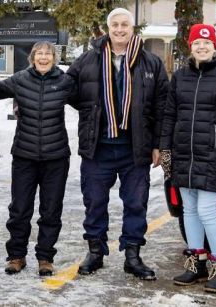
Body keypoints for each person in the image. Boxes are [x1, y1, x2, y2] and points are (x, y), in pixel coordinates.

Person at [67, 8, 168, 280]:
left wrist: (159, 144)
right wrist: (93, 112)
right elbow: (68, 89)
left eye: (125, 24)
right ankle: (95, 252)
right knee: (95, 201)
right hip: (98, 146)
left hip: (135, 147)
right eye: (115, 25)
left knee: (136, 203)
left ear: (132, 28)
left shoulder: (151, 63)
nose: (120, 29)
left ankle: (133, 256)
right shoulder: (88, 59)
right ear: (108, 27)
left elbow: (162, 106)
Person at [160, 24, 216, 293]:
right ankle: (196, 264)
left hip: (212, 154)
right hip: (183, 152)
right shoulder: (180, 77)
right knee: (189, 210)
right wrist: (166, 149)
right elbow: (169, 115)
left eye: (207, 43)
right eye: (197, 43)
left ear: (214, 47)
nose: (202, 47)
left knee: (207, 210)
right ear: (190, 46)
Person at [0, 41, 74, 276]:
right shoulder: (20, 79)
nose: (44, 57)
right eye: (40, 53)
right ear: (32, 57)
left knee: (51, 210)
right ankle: (16, 256)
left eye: (48, 54)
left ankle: (45, 258)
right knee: (19, 209)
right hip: (24, 156)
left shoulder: (65, 81)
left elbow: (87, 100)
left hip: (56, 157)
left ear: (54, 58)